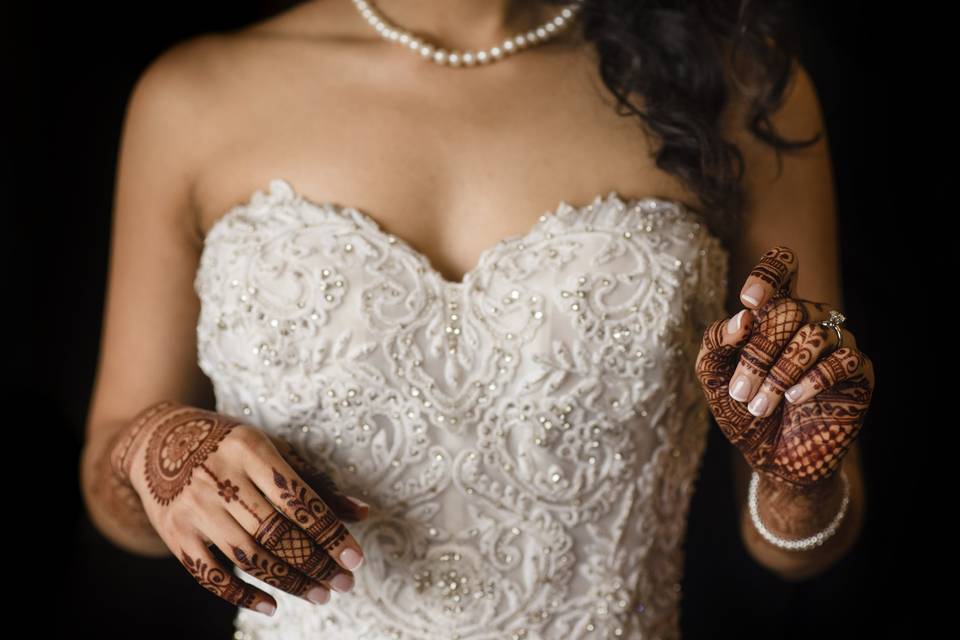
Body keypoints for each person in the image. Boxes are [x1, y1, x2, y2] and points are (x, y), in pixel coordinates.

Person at [78, 1, 875, 638]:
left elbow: (797, 550)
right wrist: (154, 452)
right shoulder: (194, 99)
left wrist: (798, 482)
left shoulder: (743, 90)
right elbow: (110, 485)